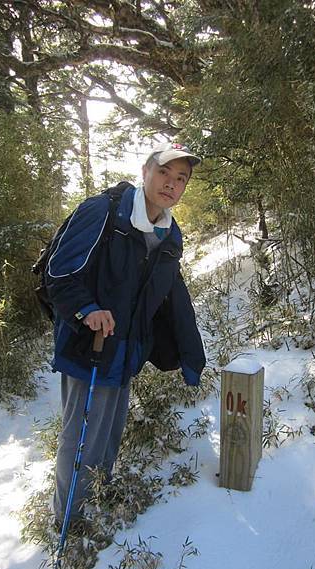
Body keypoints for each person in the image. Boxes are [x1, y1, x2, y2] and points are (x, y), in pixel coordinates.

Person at [46, 141, 206, 526]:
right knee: (81, 438)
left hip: (127, 351)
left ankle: (98, 499)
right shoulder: (103, 212)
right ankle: (68, 523)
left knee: (109, 433)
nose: (171, 183)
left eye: (180, 178)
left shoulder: (170, 235)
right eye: (164, 172)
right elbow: (60, 273)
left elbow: (174, 296)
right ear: (145, 172)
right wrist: (88, 310)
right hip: (91, 345)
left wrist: (189, 355)